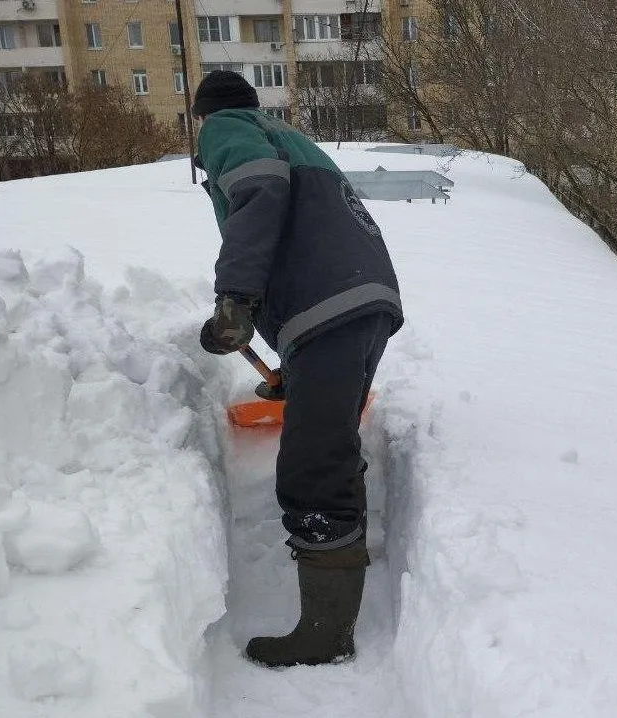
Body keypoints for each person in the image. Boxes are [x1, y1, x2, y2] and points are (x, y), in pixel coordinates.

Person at [190, 70, 403, 668]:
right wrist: (295, 372)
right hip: (360, 302)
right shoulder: (284, 134)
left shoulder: (226, 129)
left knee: (313, 468)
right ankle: (333, 606)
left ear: (203, 116)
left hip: (332, 309)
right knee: (328, 447)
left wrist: (234, 298)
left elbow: (260, 192)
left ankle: (326, 635)